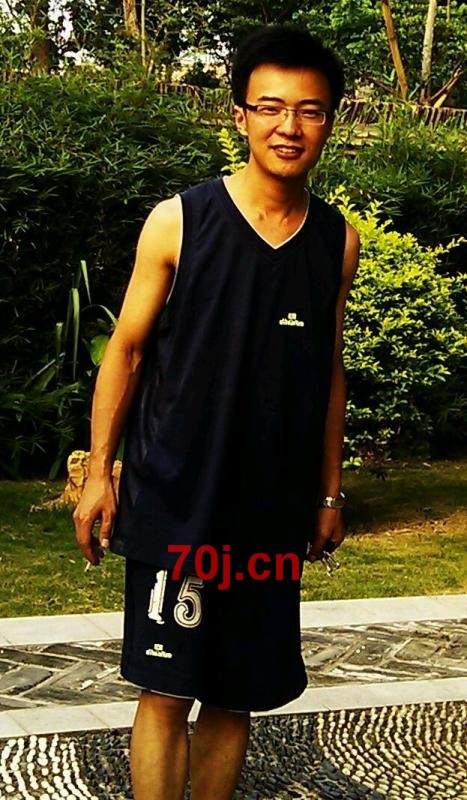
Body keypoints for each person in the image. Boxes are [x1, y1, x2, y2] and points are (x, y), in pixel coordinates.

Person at [73, 24, 359, 800]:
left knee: (236, 694)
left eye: (309, 110)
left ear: (328, 121)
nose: (288, 126)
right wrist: (99, 475)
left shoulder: (337, 241)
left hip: (270, 512)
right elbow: (126, 352)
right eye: (269, 107)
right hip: (176, 501)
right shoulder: (180, 220)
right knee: (167, 690)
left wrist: (328, 493)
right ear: (239, 117)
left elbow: (328, 371)